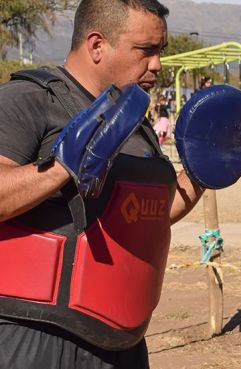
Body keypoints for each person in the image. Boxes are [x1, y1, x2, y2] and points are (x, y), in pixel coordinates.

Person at [0, 1, 205, 368]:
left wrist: (201, 174)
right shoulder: (29, 100)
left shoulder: (135, 122)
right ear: (97, 45)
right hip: (36, 337)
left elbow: (149, 215)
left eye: (160, 51)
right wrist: (62, 167)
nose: (157, 64)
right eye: (146, 50)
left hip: (121, 341)